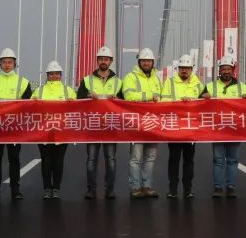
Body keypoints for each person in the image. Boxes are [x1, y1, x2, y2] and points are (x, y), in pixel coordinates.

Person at [0, 48, 33, 202]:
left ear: (14, 64)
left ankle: (15, 190)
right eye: (4, 62)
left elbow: (29, 104)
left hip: (14, 128)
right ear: (0, 64)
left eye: (10, 62)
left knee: (14, 159)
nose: (7, 65)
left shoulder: (23, 82)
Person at [161, 54, 210, 199]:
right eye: (182, 68)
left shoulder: (198, 84)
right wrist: (178, 102)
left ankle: (188, 190)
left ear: (191, 69)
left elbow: (206, 98)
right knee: (174, 160)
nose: (184, 71)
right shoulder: (169, 82)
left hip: (190, 128)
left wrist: (205, 96)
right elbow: (163, 100)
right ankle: (173, 189)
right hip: (175, 127)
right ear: (178, 69)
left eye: (187, 68)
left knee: (189, 160)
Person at [77, 45, 121, 200]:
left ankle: (110, 190)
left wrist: (117, 99)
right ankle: (91, 190)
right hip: (93, 125)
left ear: (111, 61)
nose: (104, 61)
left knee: (111, 160)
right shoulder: (87, 80)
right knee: (91, 160)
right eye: (101, 59)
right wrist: (88, 94)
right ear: (97, 61)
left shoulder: (118, 82)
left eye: (106, 59)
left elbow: (125, 103)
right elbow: (78, 99)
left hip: (110, 125)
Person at [120, 48, 163, 199]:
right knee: (136, 158)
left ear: (153, 63)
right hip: (136, 123)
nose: (146, 63)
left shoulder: (157, 78)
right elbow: (129, 96)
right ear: (139, 62)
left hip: (152, 123)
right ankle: (135, 187)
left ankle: (147, 186)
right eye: (144, 61)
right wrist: (150, 96)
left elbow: (162, 98)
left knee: (150, 157)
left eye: (149, 61)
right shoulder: (130, 77)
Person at [206, 56, 246, 198]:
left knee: (233, 160)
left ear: (233, 70)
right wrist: (204, 96)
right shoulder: (211, 86)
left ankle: (231, 187)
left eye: (228, 69)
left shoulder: (242, 87)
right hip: (218, 129)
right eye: (223, 69)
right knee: (218, 160)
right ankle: (218, 188)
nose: (226, 71)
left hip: (235, 129)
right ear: (219, 71)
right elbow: (200, 104)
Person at [33, 61, 76, 199]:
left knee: (58, 161)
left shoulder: (68, 90)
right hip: (43, 131)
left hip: (62, 131)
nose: (54, 76)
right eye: (51, 74)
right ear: (47, 75)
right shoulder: (39, 90)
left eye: (57, 74)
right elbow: (29, 107)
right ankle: (47, 188)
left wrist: (72, 102)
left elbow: (77, 108)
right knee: (46, 160)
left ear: (61, 75)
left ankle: (56, 188)